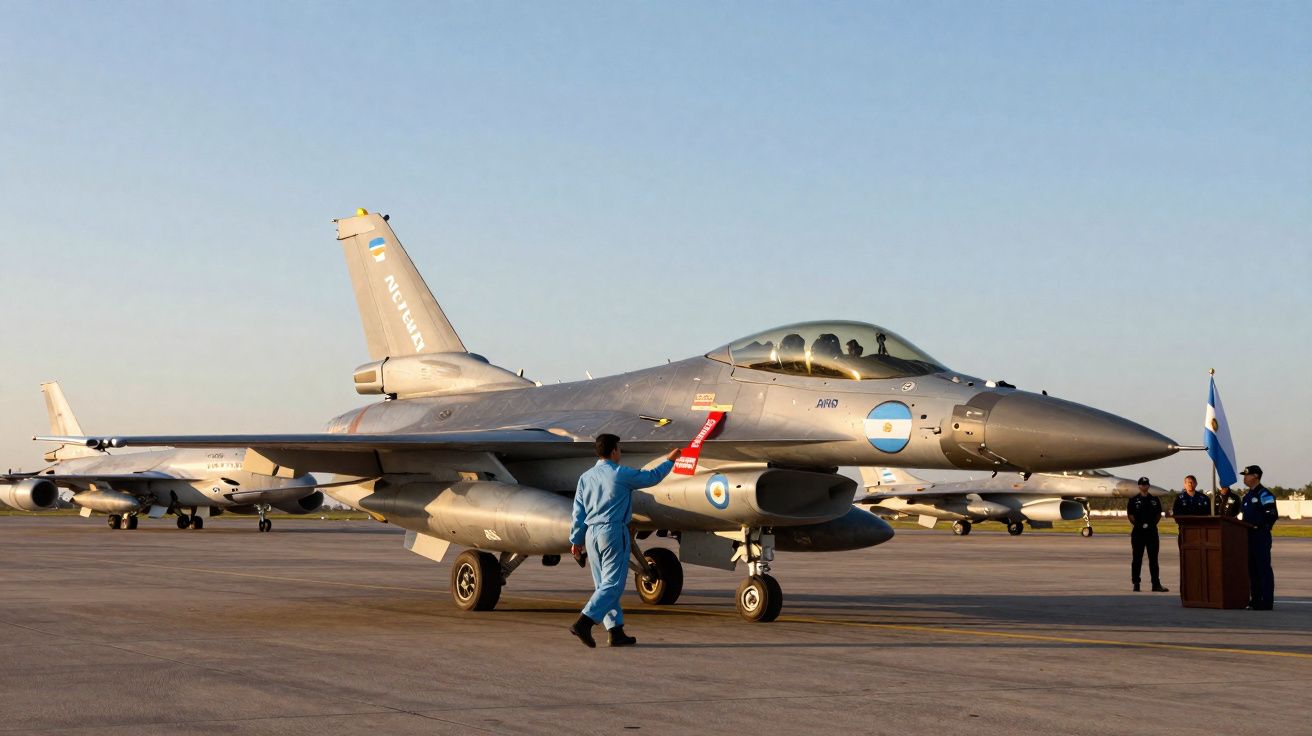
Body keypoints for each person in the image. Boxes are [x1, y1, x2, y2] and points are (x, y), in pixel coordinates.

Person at [568, 434, 681, 648]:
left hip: (591, 535)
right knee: (613, 585)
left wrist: (576, 540)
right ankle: (584, 623)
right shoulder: (620, 473)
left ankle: (616, 631)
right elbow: (651, 478)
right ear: (614, 451)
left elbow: (578, 512)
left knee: (603, 585)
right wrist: (670, 461)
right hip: (612, 532)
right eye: (619, 448)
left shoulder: (585, 477)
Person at [1235, 465, 1278, 610]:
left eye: (1247, 475)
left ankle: (1266, 600)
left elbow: (1271, 514)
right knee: (1252, 568)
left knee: (1263, 568)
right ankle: (1256, 598)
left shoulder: (1264, 494)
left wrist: (1260, 526)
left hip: (1260, 536)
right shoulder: (1247, 496)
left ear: (1256, 476)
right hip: (1248, 536)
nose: (1244, 478)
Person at [1126, 477, 1168, 592]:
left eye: (1146, 484)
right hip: (1138, 532)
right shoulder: (1133, 500)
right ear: (1139, 486)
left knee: (1153, 559)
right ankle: (1136, 583)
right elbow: (1130, 516)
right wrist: (1139, 525)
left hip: (1151, 532)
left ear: (1148, 486)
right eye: (1142, 484)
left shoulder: (1154, 499)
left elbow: (1158, 514)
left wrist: (1151, 525)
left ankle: (1156, 584)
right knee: (1137, 558)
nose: (1144, 486)